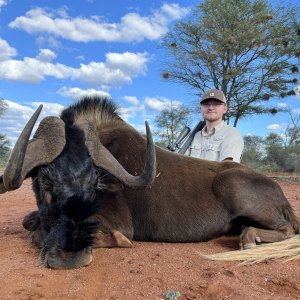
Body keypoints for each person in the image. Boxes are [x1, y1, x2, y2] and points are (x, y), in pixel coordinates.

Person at [186, 88, 244, 162]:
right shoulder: (193, 136)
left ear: (225, 109)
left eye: (216, 104)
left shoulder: (232, 135)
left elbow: (227, 169)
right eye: (206, 104)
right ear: (200, 109)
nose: (210, 107)